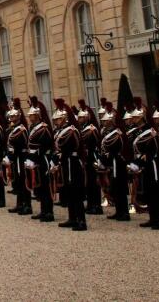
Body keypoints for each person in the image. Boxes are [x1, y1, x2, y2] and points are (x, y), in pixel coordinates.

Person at [129, 99, 159, 230]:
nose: (132, 119)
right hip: (146, 165)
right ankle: (153, 218)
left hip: (154, 165)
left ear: (140, 118)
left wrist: (139, 162)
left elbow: (151, 151)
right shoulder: (138, 131)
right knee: (149, 192)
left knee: (157, 192)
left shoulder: (150, 131)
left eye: (135, 117)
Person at [52, 99, 86, 231]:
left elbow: (67, 147)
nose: (56, 122)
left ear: (65, 119)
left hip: (73, 163)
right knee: (69, 192)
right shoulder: (62, 131)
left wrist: (59, 156)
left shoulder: (71, 131)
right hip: (66, 163)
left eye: (58, 120)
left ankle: (81, 220)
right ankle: (72, 218)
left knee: (76, 192)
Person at [98, 100, 131, 221]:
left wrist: (105, 158)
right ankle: (119, 210)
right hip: (113, 163)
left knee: (120, 188)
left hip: (118, 163)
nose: (104, 122)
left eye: (106, 121)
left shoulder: (116, 133)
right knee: (115, 188)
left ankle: (124, 213)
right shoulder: (109, 132)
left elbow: (113, 149)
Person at [25, 96, 55, 223]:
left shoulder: (43, 127)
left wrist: (34, 156)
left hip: (43, 159)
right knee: (40, 187)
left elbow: (45, 145)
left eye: (31, 115)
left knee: (46, 186)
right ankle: (43, 210)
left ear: (37, 115)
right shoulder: (32, 127)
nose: (29, 117)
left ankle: (49, 212)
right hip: (35, 158)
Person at [5, 99, 32, 215]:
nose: (11, 119)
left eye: (13, 117)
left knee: (23, 181)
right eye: (10, 117)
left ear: (18, 117)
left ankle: (27, 205)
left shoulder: (21, 129)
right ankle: (20, 203)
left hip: (21, 157)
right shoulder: (13, 128)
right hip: (16, 158)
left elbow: (19, 145)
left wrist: (11, 155)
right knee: (18, 182)